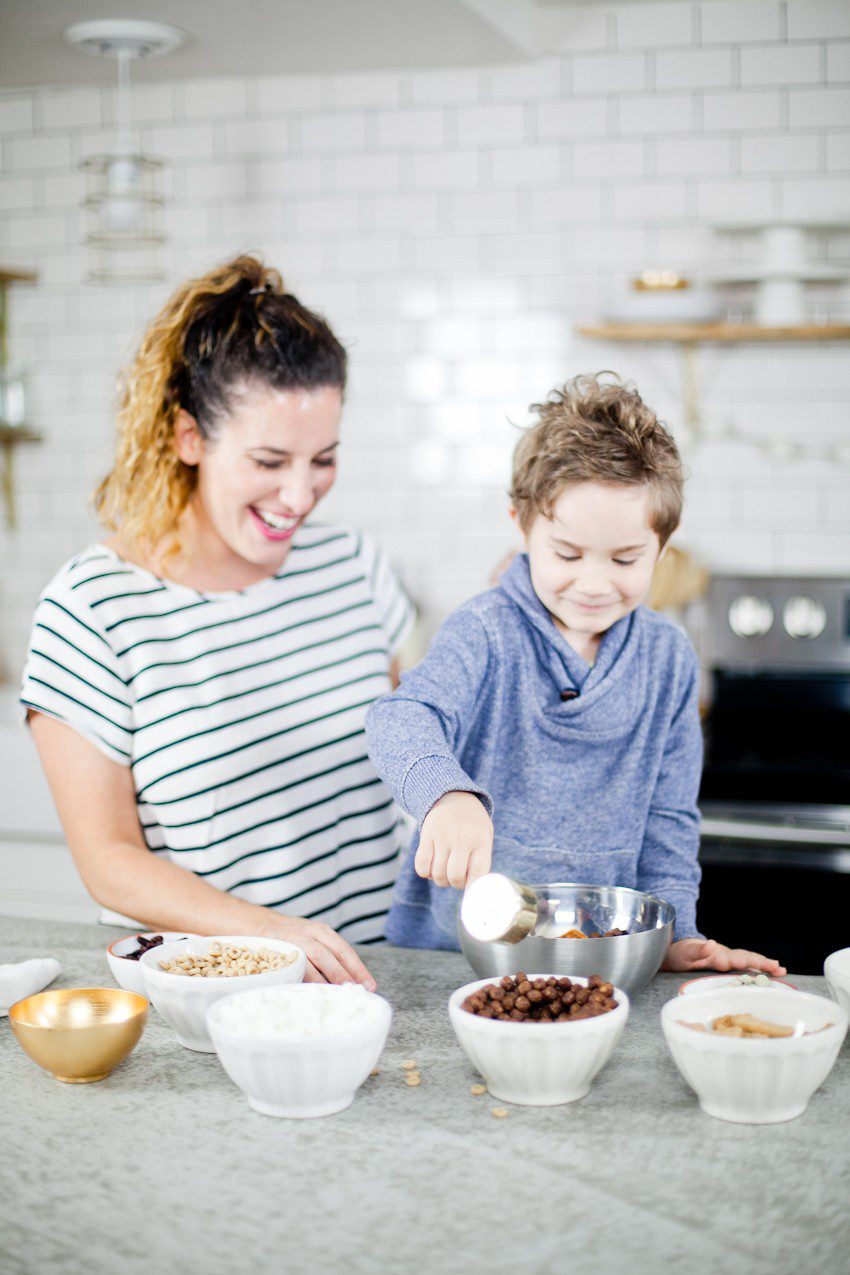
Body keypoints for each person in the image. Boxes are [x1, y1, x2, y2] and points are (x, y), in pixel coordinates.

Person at [20, 255, 414, 988]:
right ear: (188, 437)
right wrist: (274, 935)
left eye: (323, 458)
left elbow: (420, 745)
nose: (299, 495)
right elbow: (109, 861)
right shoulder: (94, 608)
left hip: (380, 981)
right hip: (220, 994)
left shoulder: (355, 565)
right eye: (269, 459)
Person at [365, 374, 784, 975]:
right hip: (450, 959)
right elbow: (400, 716)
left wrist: (675, 934)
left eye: (624, 559)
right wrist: (446, 794)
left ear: (662, 546)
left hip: (599, 961)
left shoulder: (667, 658)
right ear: (521, 524)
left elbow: (668, 821)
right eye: (566, 554)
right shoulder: (485, 632)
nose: (593, 583)